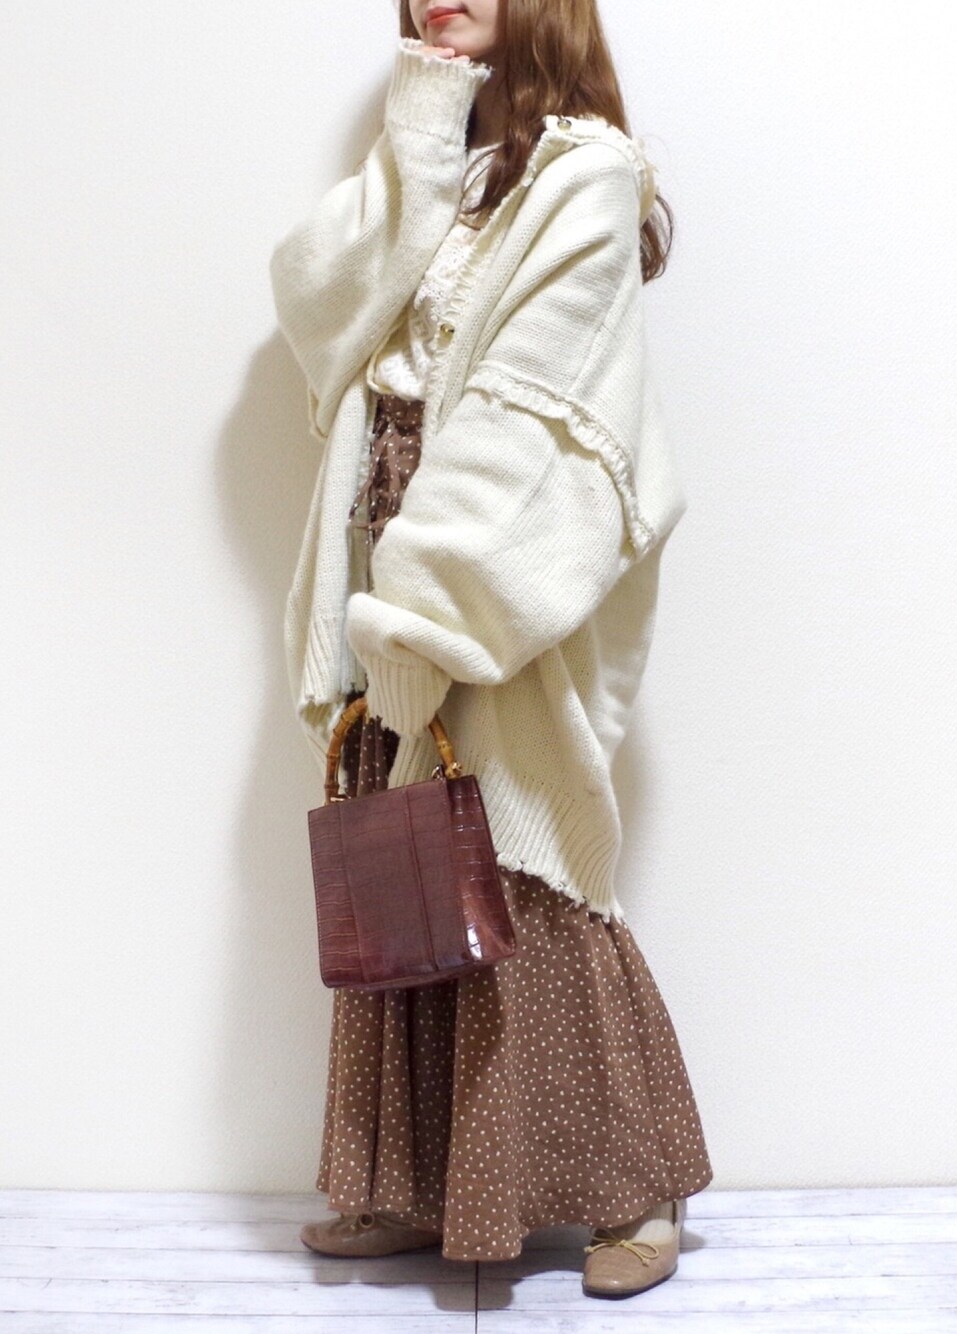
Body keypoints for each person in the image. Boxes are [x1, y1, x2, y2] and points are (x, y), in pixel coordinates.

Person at [269, 0, 713, 1301]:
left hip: (486, 587)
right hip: (376, 581)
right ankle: (423, 1185)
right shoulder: (443, 169)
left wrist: (427, 619)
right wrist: (418, 126)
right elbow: (318, 309)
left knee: (526, 864)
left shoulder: (588, 173)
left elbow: (534, 423)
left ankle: (635, 1184)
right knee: (405, 881)